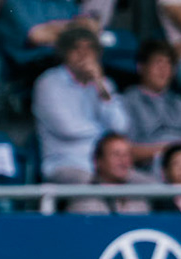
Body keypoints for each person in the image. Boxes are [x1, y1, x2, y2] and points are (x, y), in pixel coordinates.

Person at [32, 26, 131, 184]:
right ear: (64, 53)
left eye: (89, 48)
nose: (83, 54)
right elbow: (68, 128)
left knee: (151, 187)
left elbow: (120, 126)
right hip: (66, 165)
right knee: (97, 187)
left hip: (107, 165)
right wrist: (105, 136)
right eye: (76, 48)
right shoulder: (48, 82)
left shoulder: (105, 84)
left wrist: (99, 84)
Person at [125, 39, 181, 174]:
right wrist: (169, 149)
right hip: (149, 171)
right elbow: (127, 150)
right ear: (141, 67)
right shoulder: (128, 102)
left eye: (168, 64)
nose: (164, 69)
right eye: (158, 62)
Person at [69, 133, 150, 216]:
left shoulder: (138, 198)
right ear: (98, 161)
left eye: (126, 155)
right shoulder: (84, 199)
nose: (123, 161)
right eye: (116, 154)